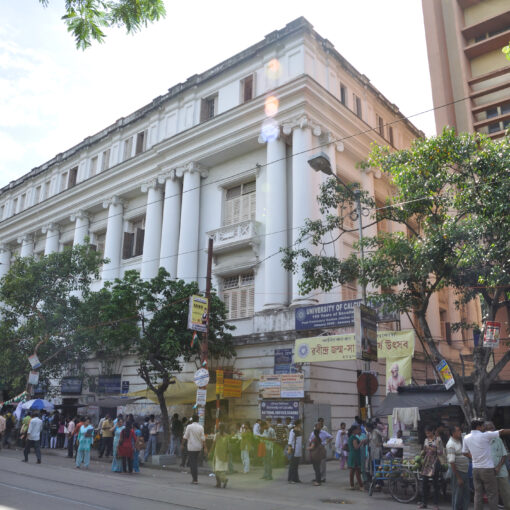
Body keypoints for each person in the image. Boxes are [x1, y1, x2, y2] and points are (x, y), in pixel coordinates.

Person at [463, 418, 510, 510]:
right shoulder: (485, 435)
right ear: (478, 427)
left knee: (478, 494)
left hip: (476, 469)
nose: (484, 427)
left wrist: (474, 457)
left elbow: (464, 452)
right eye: (482, 425)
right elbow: (502, 431)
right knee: (492, 493)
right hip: (487, 469)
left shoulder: (466, 437)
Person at [485, 421, 510, 510]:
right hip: (489, 471)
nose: (490, 430)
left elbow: (504, 455)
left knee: (506, 493)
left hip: (501, 470)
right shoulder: (483, 441)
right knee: (492, 494)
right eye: (488, 429)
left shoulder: (498, 440)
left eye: (492, 428)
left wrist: (498, 467)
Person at [419, 425, 444, 510]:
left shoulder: (438, 439)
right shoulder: (426, 440)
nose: (427, 435)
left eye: (429, 433)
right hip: (427, 463)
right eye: (426, 433)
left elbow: (441, 452)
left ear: (432, 431)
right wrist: (424, 451)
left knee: (435, 484)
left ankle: (436, 504)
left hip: (436, 462)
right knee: (424, 483)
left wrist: (433, 449)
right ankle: (424, 503)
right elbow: (425, 450)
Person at [447, 425, 470, 510]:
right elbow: (452, 462)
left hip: (464, 471)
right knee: (457, 495)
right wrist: (458, 477)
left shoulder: (459, 441)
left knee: (465, 494)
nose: (460, 432)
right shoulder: (451, 444)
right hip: (458, 472)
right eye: (458, 430)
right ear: (453, 433)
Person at [183, 414, 206, 484]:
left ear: (192, 419)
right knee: (194, 462)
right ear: (198, 420)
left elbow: (185, 437)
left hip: (191, 447)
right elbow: (203, 439)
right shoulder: (201, 427)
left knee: (193, 463)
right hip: (199, 447)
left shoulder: (189, 427)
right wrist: (205, 447)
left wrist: (182, 444)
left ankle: (195, 479)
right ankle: (195, 478)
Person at [211, 423, 229, 488]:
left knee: (216, 469)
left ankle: (220, 482)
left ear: (219, 428)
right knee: (223, 470)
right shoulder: (227, 436)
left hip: (217, 454)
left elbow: (213, 444)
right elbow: (228, 446)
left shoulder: (217, 435)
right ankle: (223, 480)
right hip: (224, 455)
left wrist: (210, 452)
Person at [347, 425, 364, 490]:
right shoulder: (354, 437)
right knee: (357, 471)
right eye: (357, 429)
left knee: (352, 470)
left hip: (352, 454)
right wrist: (361, 442)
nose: (359, 431)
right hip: (355, 455)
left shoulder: (351, 437)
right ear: (354, 430)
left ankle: (352, 485)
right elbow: (356, 447)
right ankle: (361, 486)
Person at [287, 419, 302, 483]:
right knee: (292, 465)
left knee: (296, 465)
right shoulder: (292, 431)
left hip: (298, 450)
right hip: (293, 450)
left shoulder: (299, 430)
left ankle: (296, 478)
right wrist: (290, 449)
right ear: (298, 424)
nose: (301, 424)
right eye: (300, 423)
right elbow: (290, 441)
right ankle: (290, 479)